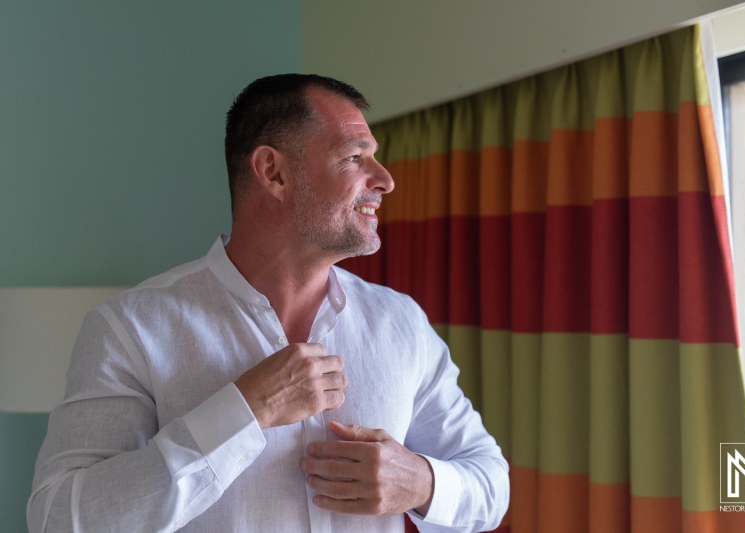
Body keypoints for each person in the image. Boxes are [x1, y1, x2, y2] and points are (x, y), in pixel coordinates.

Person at [28, 74, 509, 532]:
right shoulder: (131, 328)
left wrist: (422, 483)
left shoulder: (401, 323)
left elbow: (491, 486)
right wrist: (245, 411)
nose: (384, 179)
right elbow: (59, 519)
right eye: (354, 157)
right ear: (273, 172)